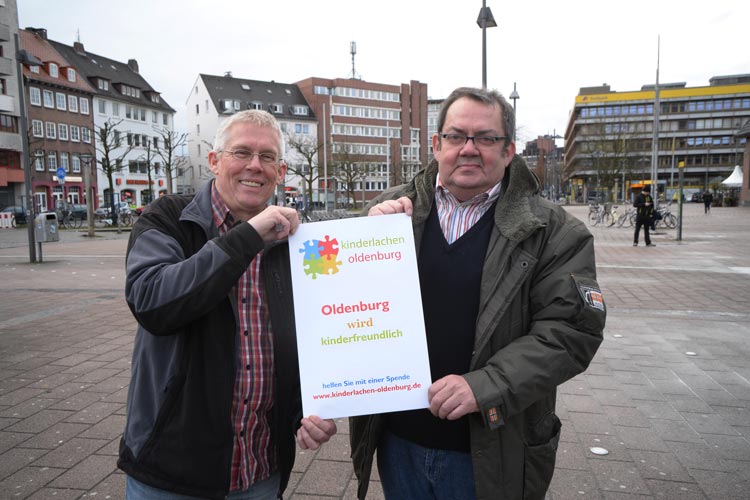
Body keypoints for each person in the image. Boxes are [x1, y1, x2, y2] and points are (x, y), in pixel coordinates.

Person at [349, 87, 606, 500]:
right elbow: (345, 308)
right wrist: (365, 239)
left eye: (485, 138)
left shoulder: (555, 232)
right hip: (398, 442)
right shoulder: (389, 212)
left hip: (492, 447)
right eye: (456, 136)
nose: (469, 149)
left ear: (508, 151)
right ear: (436, 145)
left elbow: (572, 332)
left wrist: (485, 386)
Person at [118, 110, 336, 500]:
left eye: (268, 157)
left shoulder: (296, 244)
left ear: (281, 170)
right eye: (241, 152)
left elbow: (310, 334)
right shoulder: (169, 219)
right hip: (170, 471)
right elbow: (153, 303)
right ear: (214, 161)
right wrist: (249, 235)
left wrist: (309, 405)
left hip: (259, 469)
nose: (255, 165)